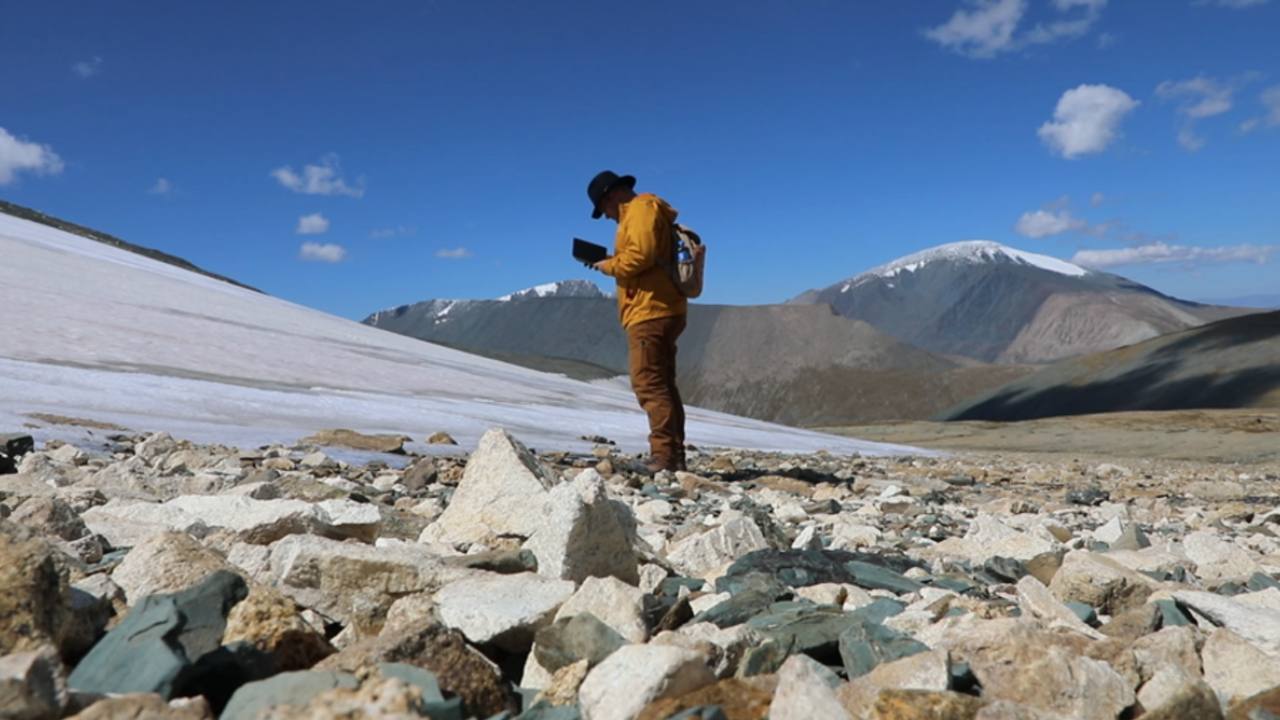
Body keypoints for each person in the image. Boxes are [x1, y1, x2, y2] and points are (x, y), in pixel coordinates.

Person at [586, 170, 688, 473]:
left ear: (611, 196)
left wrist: (608, 265)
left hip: (650, 310)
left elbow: (640, 256)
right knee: (663, 385)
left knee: (649, 384)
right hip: (661, 307)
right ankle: (673, 455)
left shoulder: (641, 209)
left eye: (603, 208)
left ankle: (663, 457)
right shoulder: (645, 211)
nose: (606, 216)